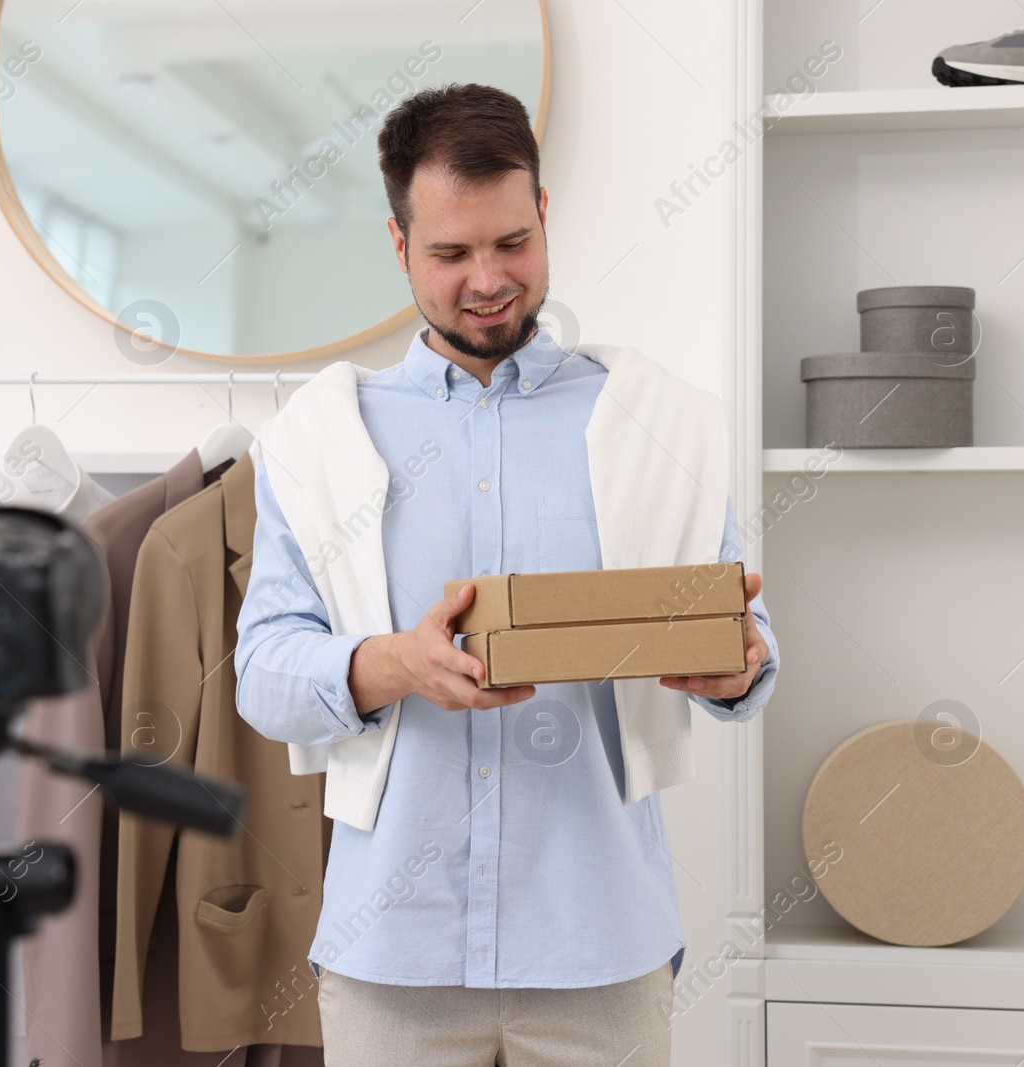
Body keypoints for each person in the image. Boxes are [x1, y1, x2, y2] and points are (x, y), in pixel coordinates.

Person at [233, 83, 779, 1067]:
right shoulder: (317, 441)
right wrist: (396, 663)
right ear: (397, 245)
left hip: (600, 950)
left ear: (543, 217)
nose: (487, 278)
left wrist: (737, 664)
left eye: (511, 242)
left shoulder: (659, 421)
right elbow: (263, 673)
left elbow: (745, 636)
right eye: (449, 253)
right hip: (392, 956)